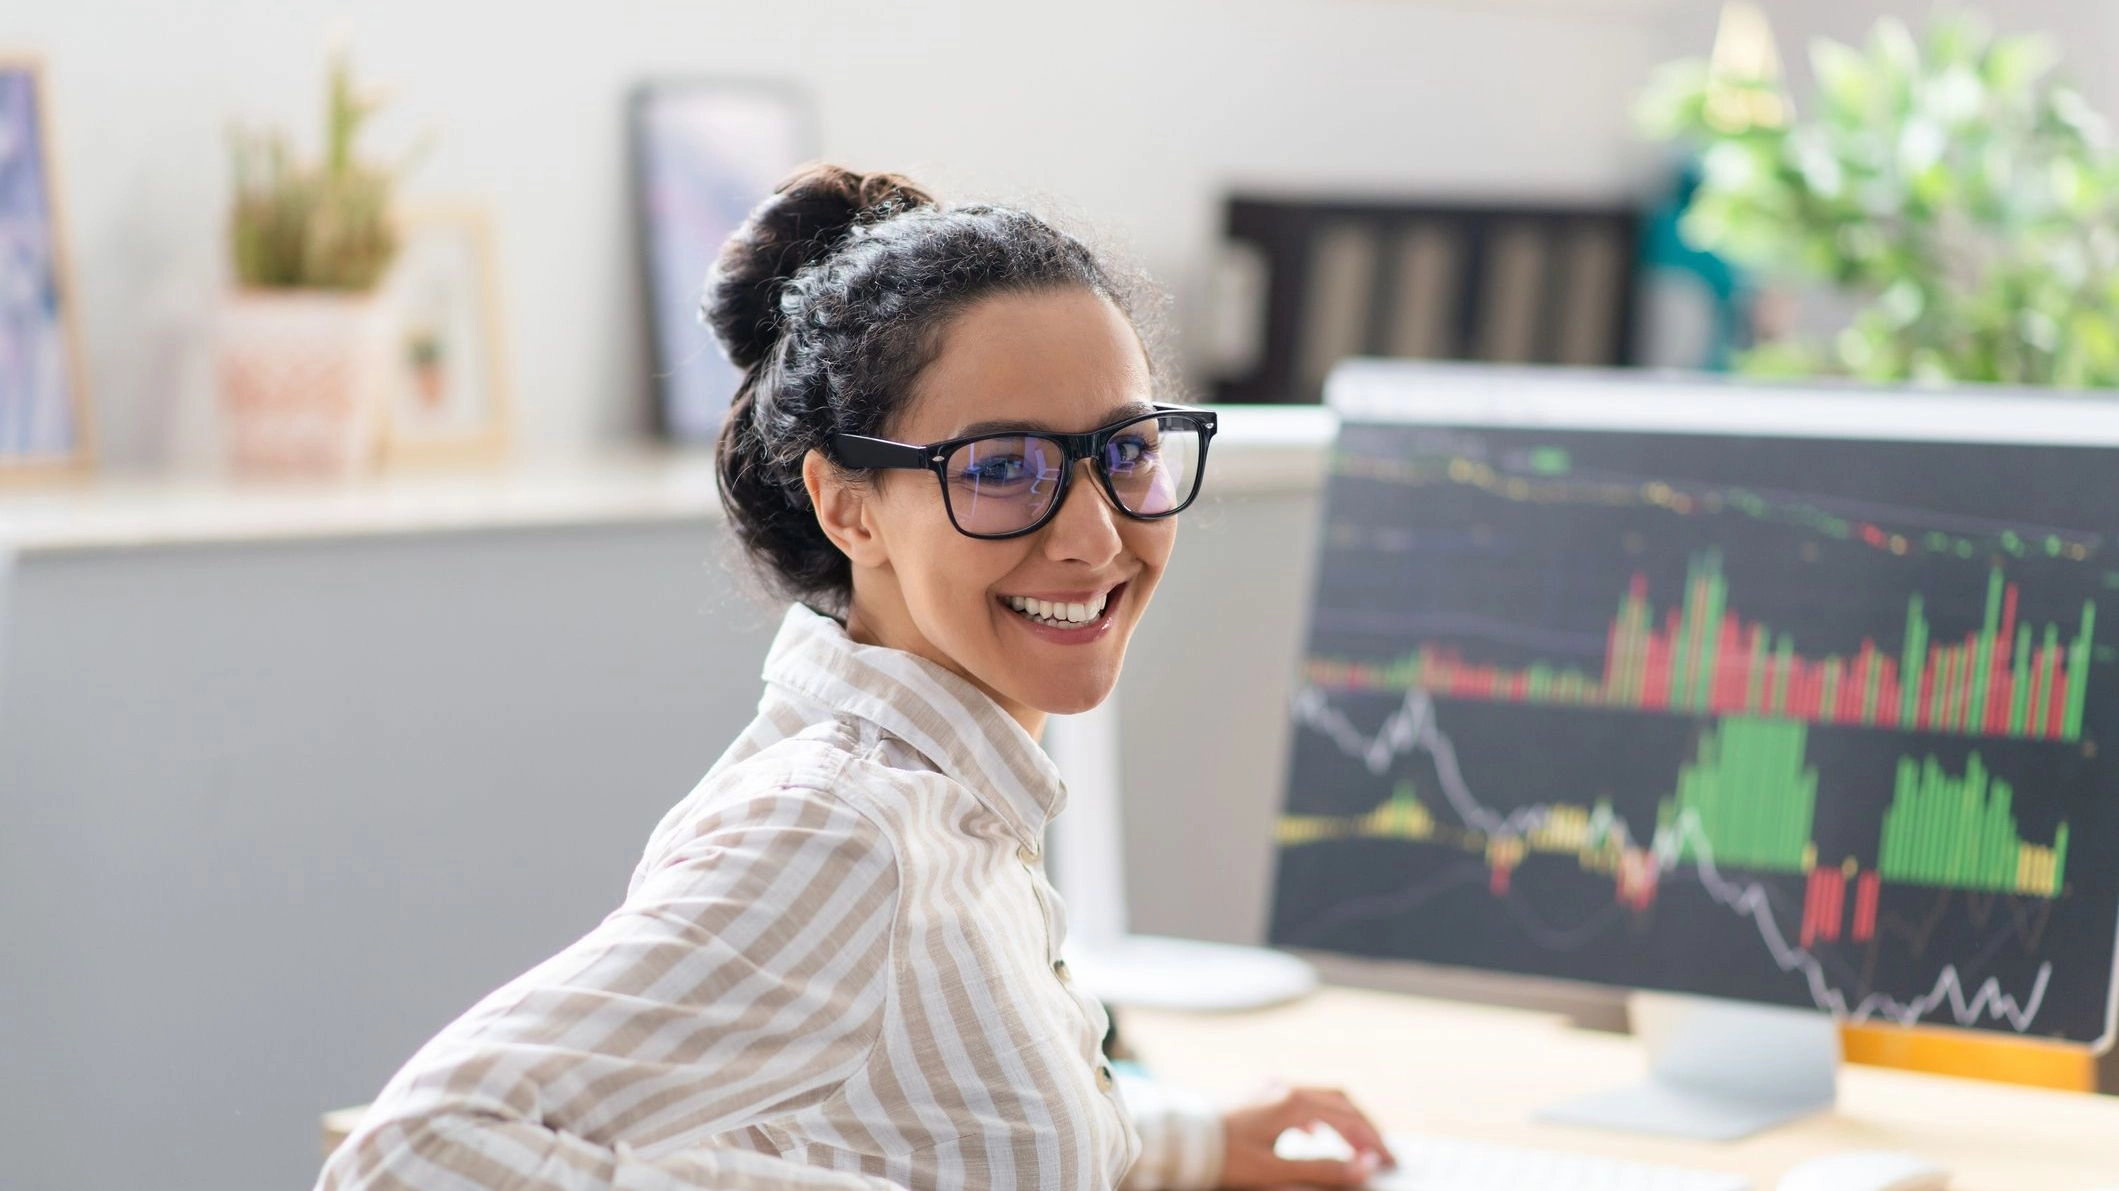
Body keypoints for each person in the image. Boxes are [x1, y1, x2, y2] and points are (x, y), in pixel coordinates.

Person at [317, 163, 1395, 1191]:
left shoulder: (946, 800)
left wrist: (1181, 1143)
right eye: (1003, 468)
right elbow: (412, 1156)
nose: (1094, 535)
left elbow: (934, 1109)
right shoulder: (842, 834)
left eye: (1125, 450)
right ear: (847, 506)